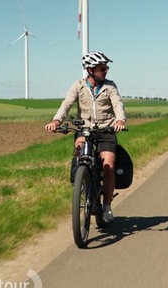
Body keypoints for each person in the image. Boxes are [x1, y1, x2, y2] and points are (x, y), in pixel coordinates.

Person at [45, 51, 127, 223]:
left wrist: (120, 120)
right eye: (102, 68)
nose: (106, 70)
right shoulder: (78, 86)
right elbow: (66, 104)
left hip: (106, 130)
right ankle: (81, 183)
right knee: (79, 152)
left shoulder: (110, 87)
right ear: (90, 70)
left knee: (109, 165)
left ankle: (107, 206)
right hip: (85, 129)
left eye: (106, 67)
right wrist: (56, 121)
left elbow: (118, 104)